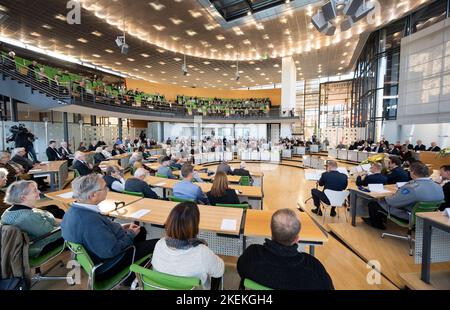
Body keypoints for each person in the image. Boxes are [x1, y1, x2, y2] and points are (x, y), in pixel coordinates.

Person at [61, 174, 157, 283]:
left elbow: (96, 233)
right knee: (157, 244)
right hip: (108, 265)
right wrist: (130, 234)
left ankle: (132, 273)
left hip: (97, 255)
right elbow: (112, 250)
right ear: (93, 195)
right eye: (105, 188)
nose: (107, 190)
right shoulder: (90, 220)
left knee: (141, 231)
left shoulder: (72, 211)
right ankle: (130, 277)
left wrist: (119, 227)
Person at [237, 209, 333, 290]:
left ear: (271, 232)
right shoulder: (313, 268)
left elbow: (241, 270)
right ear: (297, 239)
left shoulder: (252, 255)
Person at [151, 202, 224, 290]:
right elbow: (219, 271)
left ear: (170, 221)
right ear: (195, 225)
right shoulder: (202, 252)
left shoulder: (159, 244)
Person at [363, 162, 445, 230]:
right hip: (427, 216)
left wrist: (385, 197)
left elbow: (393, 202)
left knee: (374, 202)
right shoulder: (438, 186)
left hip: (409, 215)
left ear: (412, 172)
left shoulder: (411, 188)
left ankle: (377, 224)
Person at [1, 181, 65, 258]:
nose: (39, 191)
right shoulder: (28, 217)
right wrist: (69, 227)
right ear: (23, 197)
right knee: (77, 231)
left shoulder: (8, 211)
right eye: (35, 191)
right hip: (36, 247)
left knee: (59, 213)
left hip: (26, 244)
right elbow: (52, 236)